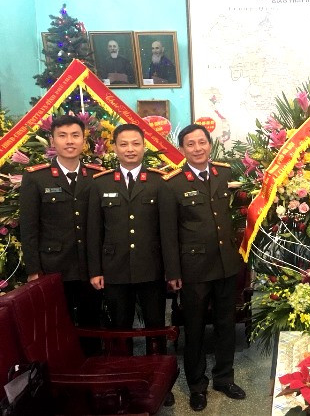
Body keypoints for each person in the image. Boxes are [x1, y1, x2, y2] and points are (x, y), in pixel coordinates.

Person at [163, 124, 245, 412]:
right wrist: (173, 272)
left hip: (226, 264)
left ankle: (224, 378)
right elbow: (168, 233)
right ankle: (197, 386)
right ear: (182, 149)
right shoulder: (172, 183)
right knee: (195, 330)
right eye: (190, 144)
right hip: (194, 268)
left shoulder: (225, 173)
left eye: (202, 142)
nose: (197, 148)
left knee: (226, 325)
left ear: (210, 145)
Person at [20, 115, 104, 354]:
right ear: (52, 141)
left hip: (90, 267)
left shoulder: (96, 176)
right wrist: (33, 269)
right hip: (53, 266)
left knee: (92, 324)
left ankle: (92, 368)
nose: (69, 141)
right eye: (63, 136)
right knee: (55, 327)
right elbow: (29, 227)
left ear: (84, 140)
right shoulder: (36, 178)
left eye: (75, 135)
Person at [87, 124, 176, 338]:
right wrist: (95, 270)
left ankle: (157, 360)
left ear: (144, 146)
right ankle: (122, 361)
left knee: (155, 326)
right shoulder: (101, 183)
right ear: (114, 148)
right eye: (124, 144)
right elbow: (94, 231)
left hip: (151, 267)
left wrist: (172, 271)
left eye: (136, 144)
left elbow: (168, 231)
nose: (130, 149)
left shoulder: (159, 182)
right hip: (114, 269)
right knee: (119, 328)